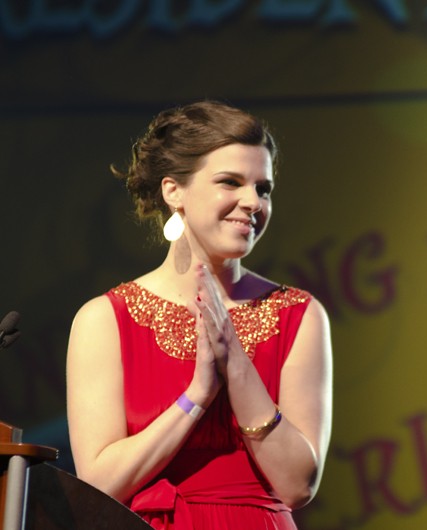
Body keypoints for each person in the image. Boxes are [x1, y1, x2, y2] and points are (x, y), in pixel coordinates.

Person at [66, 100, 333, 529]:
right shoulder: (105, 318)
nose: (252, 202)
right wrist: (197, 395)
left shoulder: (299, 314)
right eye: (231, 182)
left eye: (263, 189)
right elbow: (97, 485)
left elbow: (298, 485)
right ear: (174, 191)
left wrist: (235, 361)